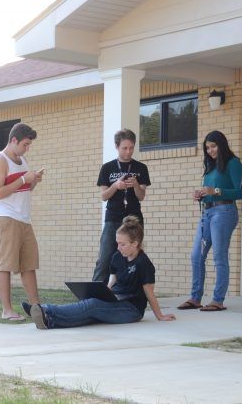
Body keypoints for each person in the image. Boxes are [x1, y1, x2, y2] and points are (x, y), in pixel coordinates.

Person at [27, 216, 175, 329]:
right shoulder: (117, 256)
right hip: (115, 300)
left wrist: (160, 316)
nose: (118, 247)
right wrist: (105, 291)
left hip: (131, 309)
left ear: (135, 244)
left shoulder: (144, 263)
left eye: (122, 244)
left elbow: (149, 293)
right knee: (90, 312)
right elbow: (113, 279)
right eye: (117, 243)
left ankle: (46, 309)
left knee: (92, 306)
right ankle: (48, 321)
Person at [178, 131, 242, 312]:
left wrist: (216, 191)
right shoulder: (210, 166)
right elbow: (211, 191)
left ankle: (218, 299)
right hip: (207, 213)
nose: (210, 151)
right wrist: (201, 195)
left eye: (213, 146)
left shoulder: (233, 163)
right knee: (196, 254)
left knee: (219, 256)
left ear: (221, 145)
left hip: (224, 212)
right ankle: (195, 297)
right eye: (207, 148)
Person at [0, 122, 45, 321]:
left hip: (23, 218)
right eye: (25, 144)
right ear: (13, 140)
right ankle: (7, 310)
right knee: (5, 265)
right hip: (5, 217)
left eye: (29, 145)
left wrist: (33, 181)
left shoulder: (23, 160)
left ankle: (37, 308)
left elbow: (24, 191)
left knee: (29, 264)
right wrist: (23, 180)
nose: (27, 149)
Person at [93, 129, 150, 283]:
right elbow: (103, 196)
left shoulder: (141, 168)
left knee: (134, 258)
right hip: (113, 218)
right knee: (105, 259)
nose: (128, 151)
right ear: (117, 147)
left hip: (134, 219)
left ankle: (133, 294)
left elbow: (141, 196)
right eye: (124, 148)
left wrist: (136, 185)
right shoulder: (107, 168)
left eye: (131, 147)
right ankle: (95, 297)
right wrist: (115, 186)